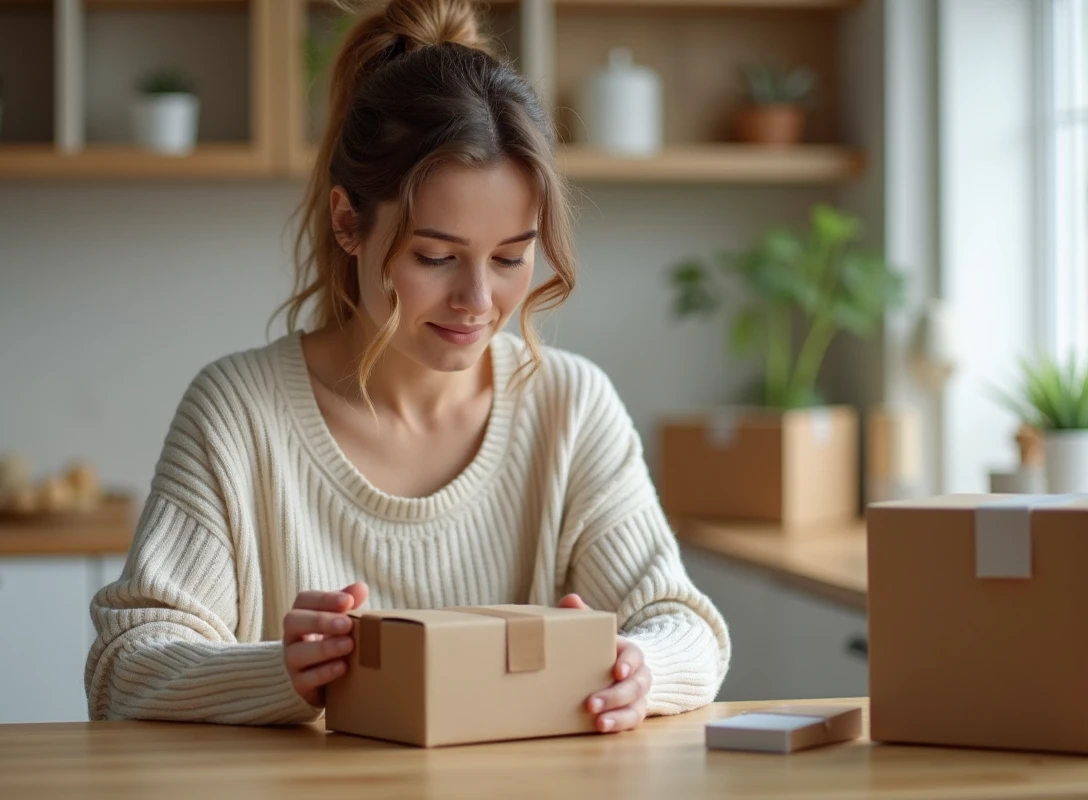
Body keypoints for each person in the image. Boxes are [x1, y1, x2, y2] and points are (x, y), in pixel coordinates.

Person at [84, 0, 730, 734]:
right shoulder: (237, 412)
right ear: (347, 221)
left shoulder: (571, 406)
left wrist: (635, 668)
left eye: (512, 258)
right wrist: (285, 672)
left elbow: (685, 627)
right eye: (436, 257)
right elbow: (124, 668)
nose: (478, 302)